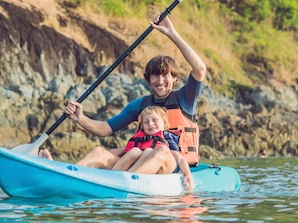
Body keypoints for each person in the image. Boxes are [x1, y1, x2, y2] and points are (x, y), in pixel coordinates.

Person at [41, 14, 205, 187]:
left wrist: (171, 33)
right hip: (139, 165)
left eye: (165, 75)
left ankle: (115, 184)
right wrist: (80, 118)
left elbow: (200, 69)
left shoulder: (185, 99)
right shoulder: (140, 106)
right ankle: (63, 177)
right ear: (149, 80)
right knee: (99, 152)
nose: (161, 81)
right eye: (155, 76)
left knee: (162, 151)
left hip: (173, 168)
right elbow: (104, 129)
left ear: (174, 78)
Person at [112, 106, 194, 190]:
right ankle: (114, 176)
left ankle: (128, 180)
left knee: (155, 150)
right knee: (138, 151)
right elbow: (120, 152)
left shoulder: (166, 136)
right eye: (146, 122)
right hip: (148, 167)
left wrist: (187, 174)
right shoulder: (141, 139)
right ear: (142, 127)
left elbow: (179, 158)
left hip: (167, 166)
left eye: (154, 120)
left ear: (164, 123)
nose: (150, 124)